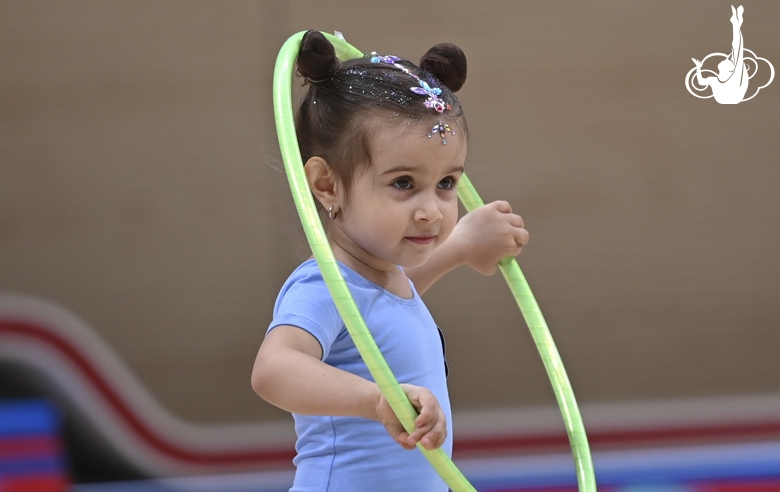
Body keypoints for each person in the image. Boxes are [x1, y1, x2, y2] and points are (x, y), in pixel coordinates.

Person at [252, 30, 529, 492]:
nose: (431, 210)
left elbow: (388, 307)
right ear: (326, 186)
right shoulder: (321, 285)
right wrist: (378, 399)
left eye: (446, 183)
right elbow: (273, 369)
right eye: (403, 183)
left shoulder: (379, 281)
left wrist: (459, 246)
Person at [692, 5, 748, 104]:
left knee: (737, 51)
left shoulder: (731, 77)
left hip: (731, 96)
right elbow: (700, 82)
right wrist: (698, 67)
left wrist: (698, 68)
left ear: (729, 69)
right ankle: (736, 23)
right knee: (737, 52)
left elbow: (737, 49)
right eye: (727, 60)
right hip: (730, 97)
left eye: (726, 61)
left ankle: (736, 24)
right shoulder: (716, 80)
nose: (724, 59)